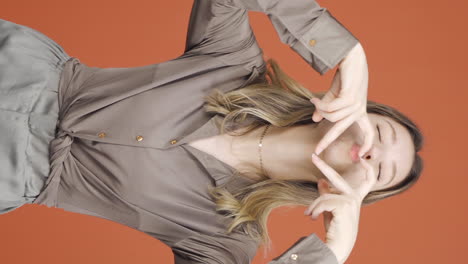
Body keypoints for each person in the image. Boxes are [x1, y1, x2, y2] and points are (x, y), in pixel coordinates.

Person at [0, 0, 424, 263]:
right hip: (21, 68)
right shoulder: (234, 61)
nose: (373, 154)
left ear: (358, 197)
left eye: (381, 172)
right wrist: (348, 53)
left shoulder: (228, 242)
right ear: (357, 105)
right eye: (381, 134)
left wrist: (329, 255)